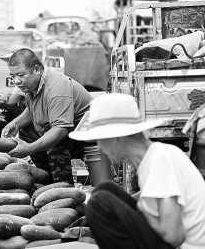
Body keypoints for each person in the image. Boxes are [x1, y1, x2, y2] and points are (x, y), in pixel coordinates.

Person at [69, 93, 205, 249]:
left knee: (99, 204)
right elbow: (154, 197)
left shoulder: (161, 158)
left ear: (115, 138)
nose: (99, 147)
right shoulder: (152, 159)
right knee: (105, 190)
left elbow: (173, 235)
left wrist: (139, 211)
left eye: (100, 140)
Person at [2, 48, 92, 185]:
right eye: (12, 76)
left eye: (20, 75)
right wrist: (14, 124)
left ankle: (63, 187)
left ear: (37, 69)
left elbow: (60, 130)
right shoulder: (32, 84)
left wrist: (30, 148)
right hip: (69, 131)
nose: (16, 81)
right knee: (26, 131)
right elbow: (31, 110)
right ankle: (48, 180)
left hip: (88, 137)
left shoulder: (56, 88)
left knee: (52, 136)